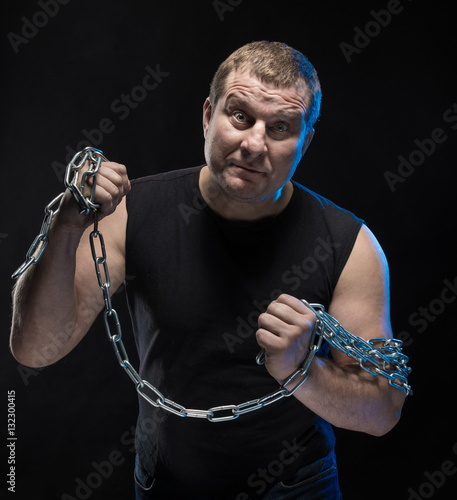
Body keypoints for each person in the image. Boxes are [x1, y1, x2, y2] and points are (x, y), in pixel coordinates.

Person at [10, 41, 407, 499]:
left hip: (296, 489)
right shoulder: (132, 212)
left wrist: (302, 370)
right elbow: (35, 349)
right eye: (239, 116)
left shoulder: (350, 244)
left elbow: (382, 413)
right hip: (166, 486)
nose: (254, 144)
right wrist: (66, 225)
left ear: (306, 141)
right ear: (207, 114)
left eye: (280, 127)